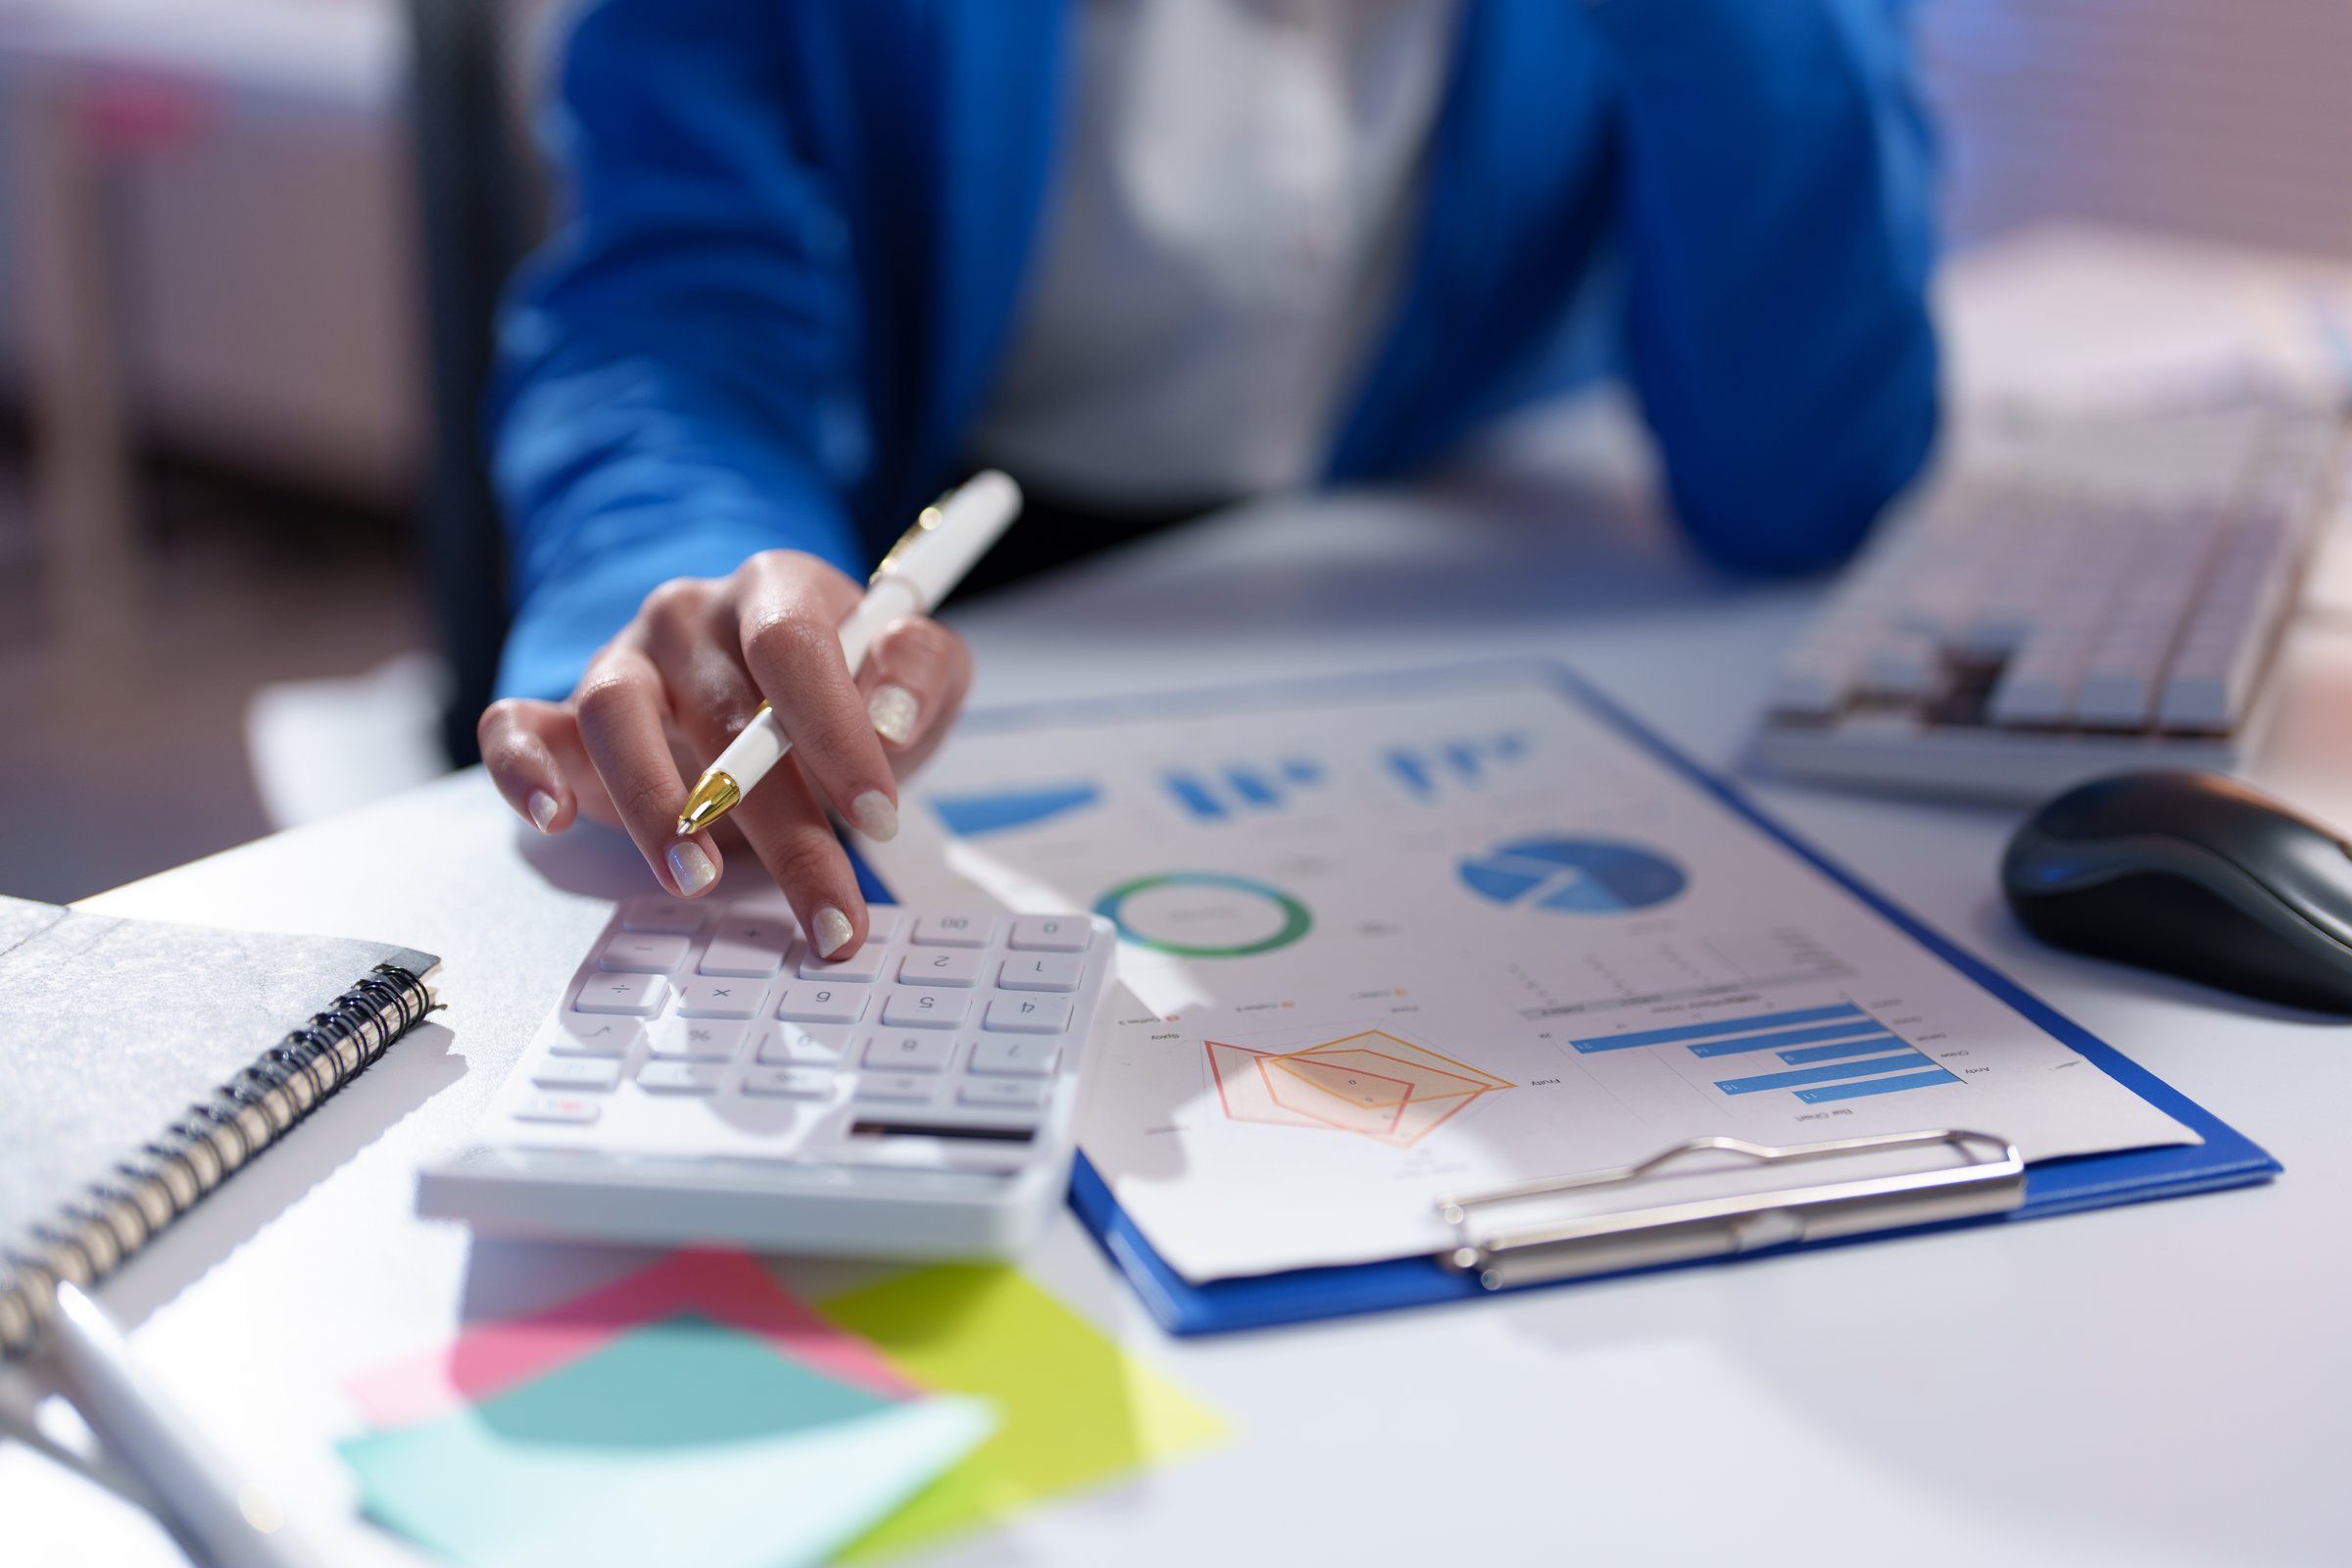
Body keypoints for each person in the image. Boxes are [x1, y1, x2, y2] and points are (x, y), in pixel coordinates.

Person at [477, 0, 1939, 963]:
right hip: (963, 604)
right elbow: (679, 319)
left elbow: (1805, 477)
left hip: (1446, 590)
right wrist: (696, 589)